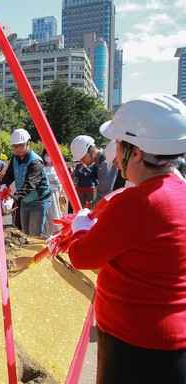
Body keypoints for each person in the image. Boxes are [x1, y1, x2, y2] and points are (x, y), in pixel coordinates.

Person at [68, 93, 186, 383]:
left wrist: (80, 227)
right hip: (172, 342)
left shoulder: (138, 202)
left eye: (119, 144)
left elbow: (81, 257)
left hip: (135, 345)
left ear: (136, 153)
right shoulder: (179, 191)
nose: (115, 151)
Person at [0, 129, 51, 237]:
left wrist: (13, 199)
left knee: (34, 233)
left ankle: (34, 254)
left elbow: (30, 185)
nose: (17, 149)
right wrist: (3, 184)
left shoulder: (35, 162)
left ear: (28, 144)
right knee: (24, 232)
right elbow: (9, 174)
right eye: (15, 146)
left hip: (38, 201)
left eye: (21, 146)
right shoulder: (15, 158)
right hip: (24, 200)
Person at [41, 148, 64, 237]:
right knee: (46, 213)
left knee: (55, 212)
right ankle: (47, 233)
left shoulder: (57, 167)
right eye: (46, 155)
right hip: (45, 192)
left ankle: (58, 232)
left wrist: (56, 181)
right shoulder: (42, 167)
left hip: (54, 192)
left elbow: (61, 179)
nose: (48, 157)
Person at [70, 135, 98, 207]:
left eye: (83, 158)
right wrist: (81, 169)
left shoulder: (95, 165)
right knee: (81, 206)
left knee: (91, 206)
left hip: (90, 188)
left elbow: (93, 175)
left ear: (92, 151)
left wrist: (85, 168)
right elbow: (76, 174)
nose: (81, 161)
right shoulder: (79, 165)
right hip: (80, 188)